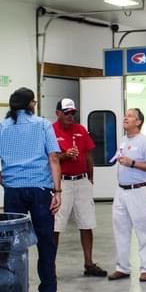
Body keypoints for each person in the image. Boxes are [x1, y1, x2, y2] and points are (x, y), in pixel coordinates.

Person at [0, 87, 63, 292]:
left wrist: (8, 184)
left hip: (13, 193)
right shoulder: (43, 125)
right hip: (40, 190)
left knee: (11, 244)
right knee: (45, 242)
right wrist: (57, 191)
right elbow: (54, 158)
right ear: (31, 104)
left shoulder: (0, 127)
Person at [52, 98, 106, 278]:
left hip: (82, 181)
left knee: (87, 222)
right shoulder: (51, 131)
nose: (70, 116)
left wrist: (90, 176)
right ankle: (49, 265)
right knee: (56, 225)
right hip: (63, 183)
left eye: (72, 113)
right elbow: (49, 159)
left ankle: (89, 264)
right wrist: (65, 155)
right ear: (58, 113)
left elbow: (88, 154)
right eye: (66, 113)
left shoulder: (81, 130)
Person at [108, 108, 146, 282]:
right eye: (126, 115)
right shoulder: (122, 140)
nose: (125, 118)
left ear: (138, 122)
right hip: (121, 191)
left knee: (142, 230)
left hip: (138, 191)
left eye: (130, 116)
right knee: (120, 230)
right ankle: (122, 267)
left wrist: (132, 163)